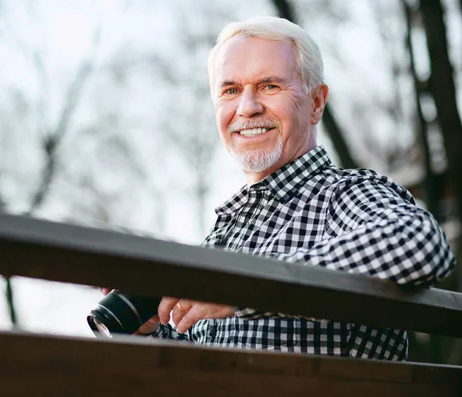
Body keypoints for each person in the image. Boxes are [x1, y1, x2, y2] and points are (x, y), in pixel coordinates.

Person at [105, 16, 455, 360]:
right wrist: (152, 332)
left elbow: (421, 243)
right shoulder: (220, 238)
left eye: (269, 86)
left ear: (316, 103)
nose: (248, 107)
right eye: (230, 90)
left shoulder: (342, 194)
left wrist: (243, 288)